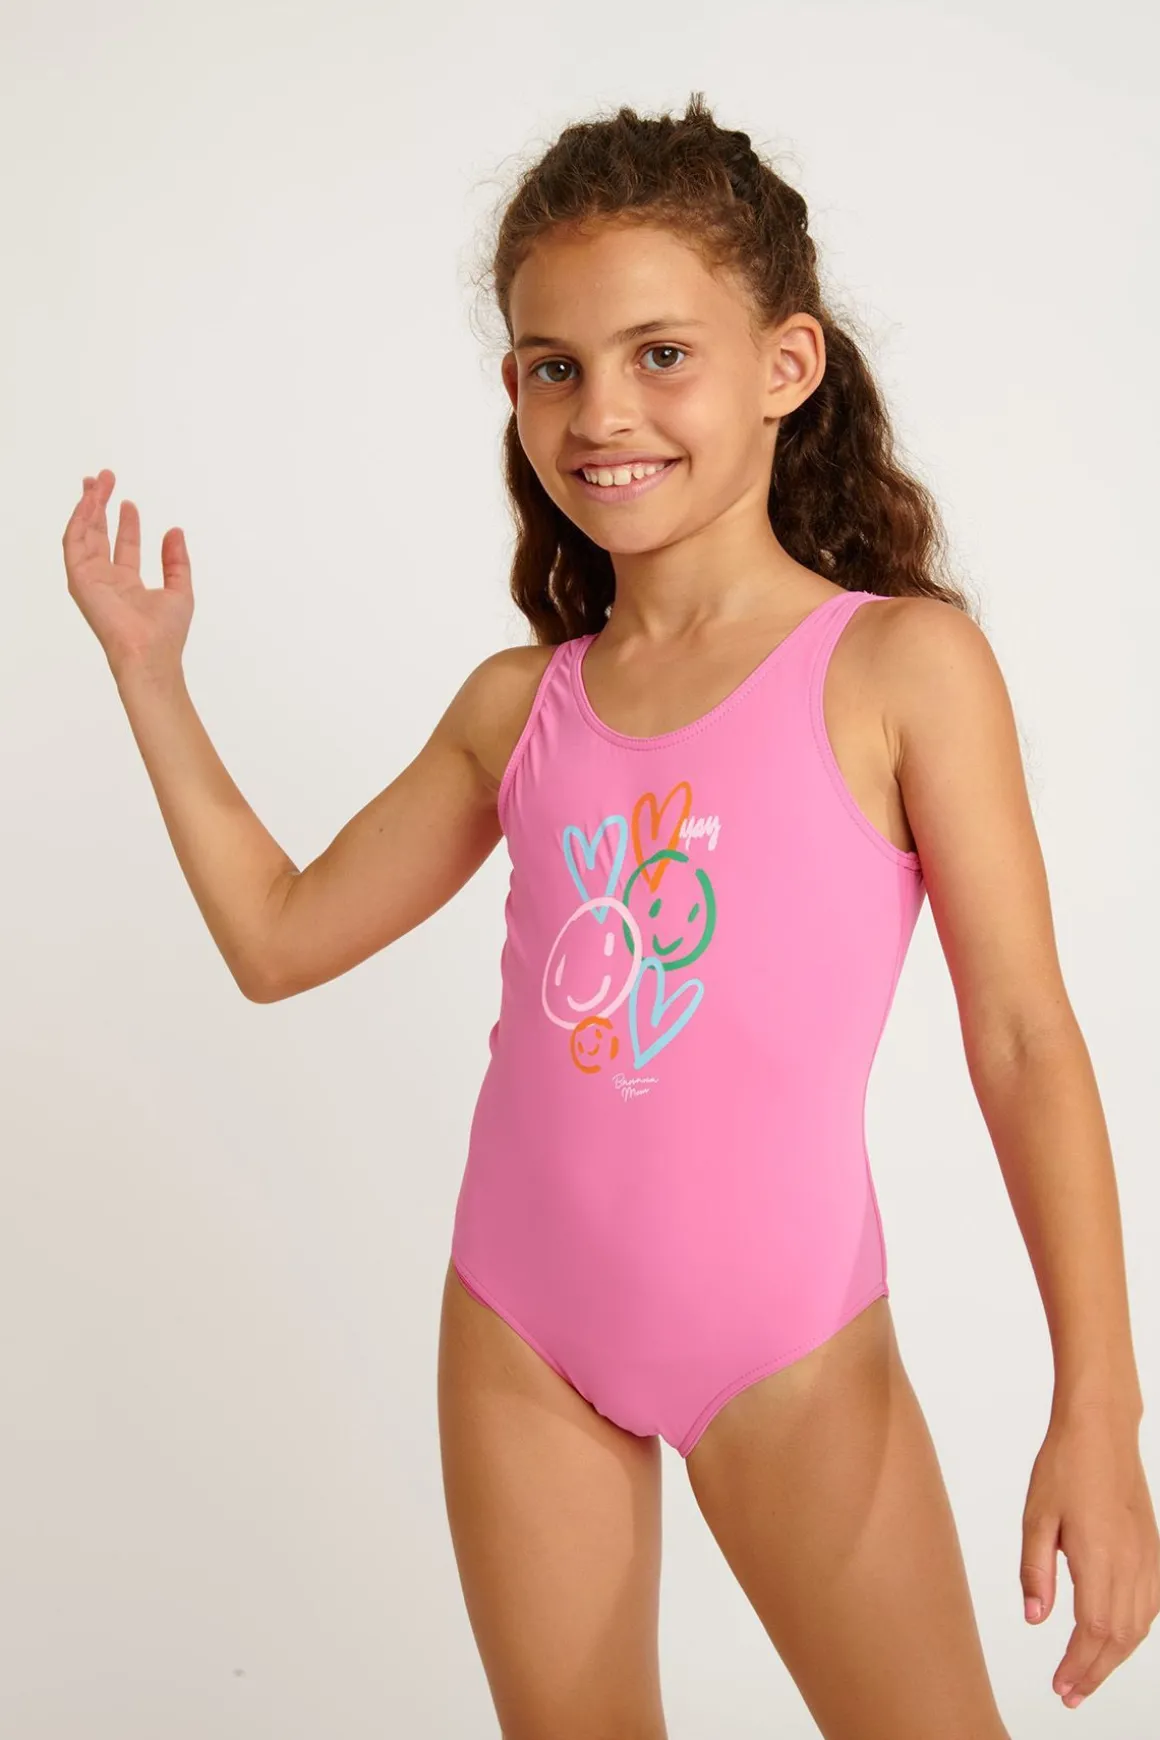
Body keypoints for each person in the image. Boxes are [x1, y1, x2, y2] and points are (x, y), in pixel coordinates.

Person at [63, 90, 1157, 1740]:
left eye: (661, 354)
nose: (604, 412)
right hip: (519, 1330)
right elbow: (278, 939)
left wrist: (1099, 1408)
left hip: (792, 1353)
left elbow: (1021, 1038)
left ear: (786, 365)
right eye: (553, 367)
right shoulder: (520, 708)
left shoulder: (901, 668)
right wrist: (152, 680)